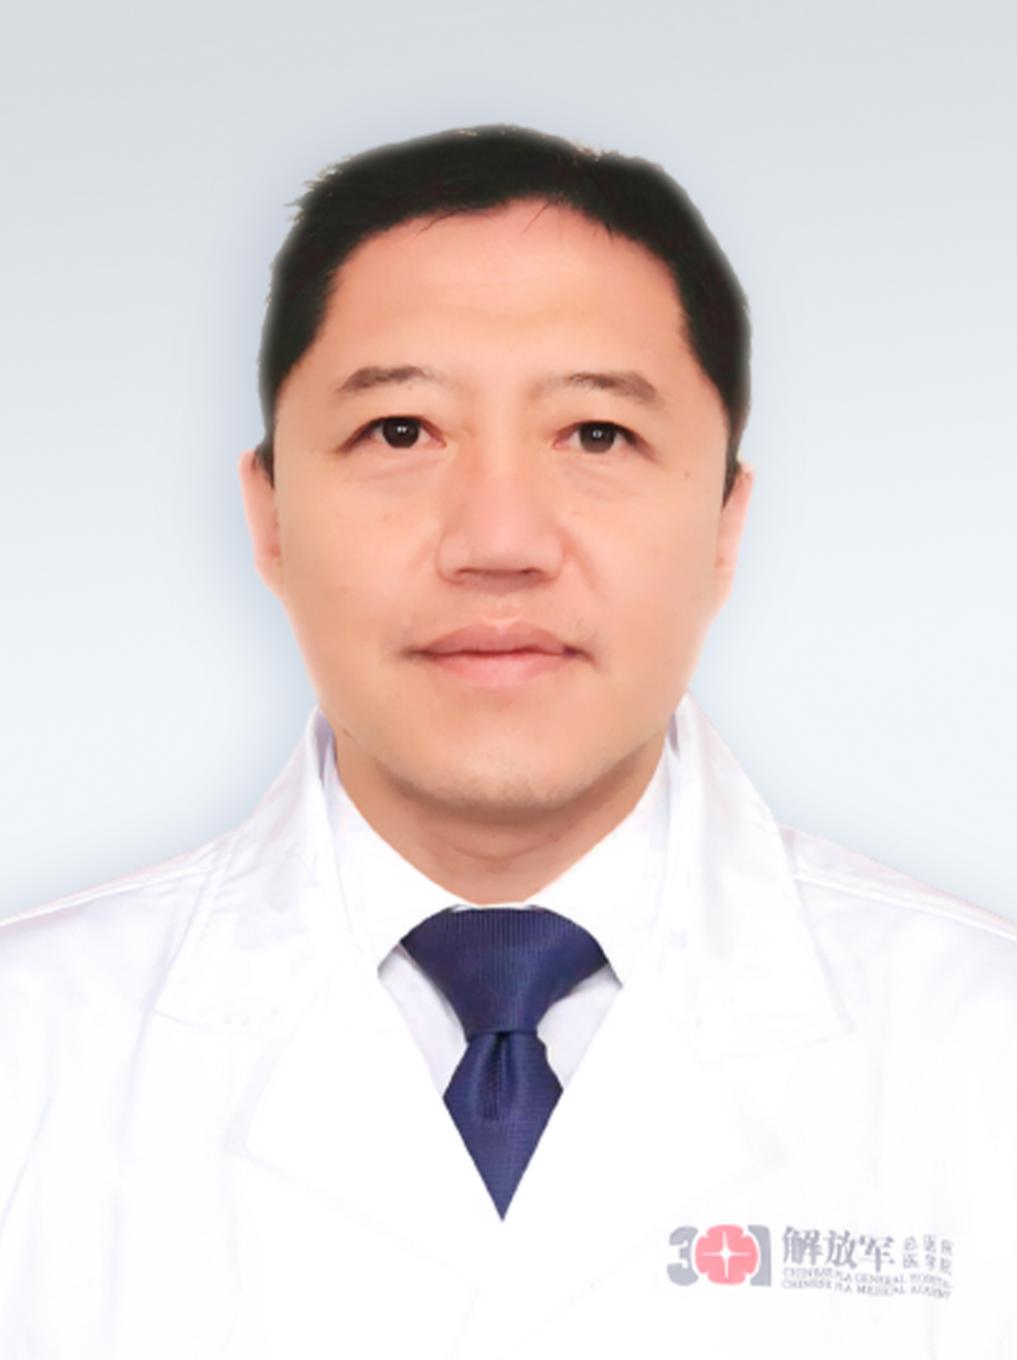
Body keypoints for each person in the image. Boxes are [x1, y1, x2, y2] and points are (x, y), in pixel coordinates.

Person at [1, 123, 1014, 1359]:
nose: (498, 541)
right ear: (269, 515)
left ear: (723, 523)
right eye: (401, 431)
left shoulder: (984, 1054)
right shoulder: (29, 1049)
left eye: (597, 435)